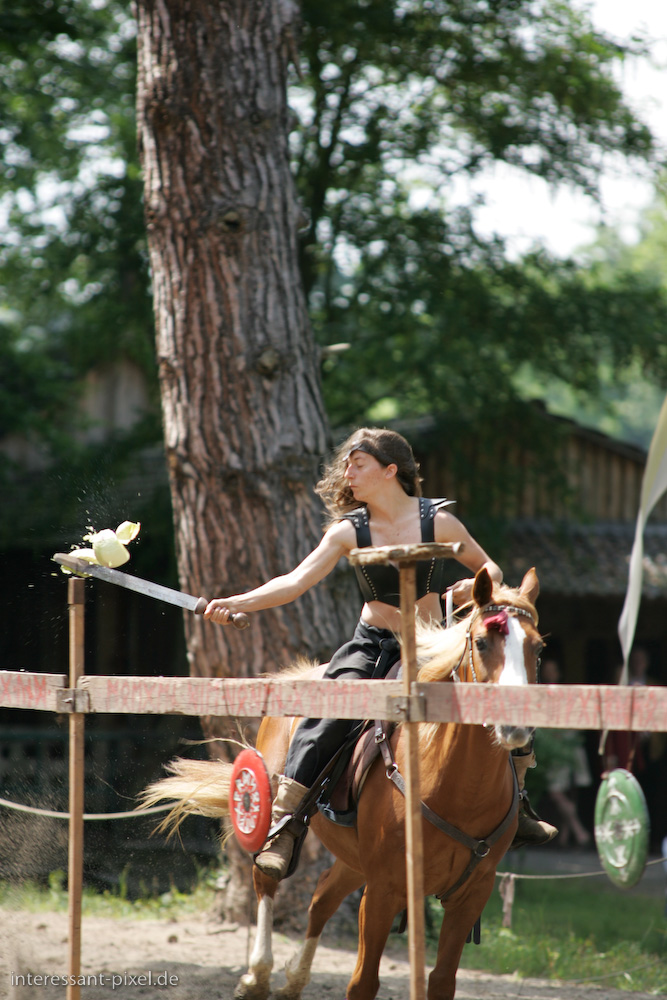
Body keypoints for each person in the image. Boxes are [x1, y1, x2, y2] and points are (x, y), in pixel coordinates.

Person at [205, 427, 556, 880]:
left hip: (434, 645)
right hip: (372, 644)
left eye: (358, 463)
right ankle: (287, 824)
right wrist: (238, 601)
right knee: (328, 709)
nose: (347, 472)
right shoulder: (349, 531)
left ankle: (519, 800)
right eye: (348, 464)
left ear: (391, 471)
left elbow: (490, 567)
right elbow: (295, 581)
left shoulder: (440, 522)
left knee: (500, 689)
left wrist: (475, 583)